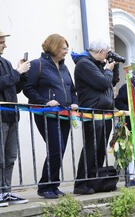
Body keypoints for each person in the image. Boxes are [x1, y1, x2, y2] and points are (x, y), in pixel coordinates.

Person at [24, 34, 79, 199]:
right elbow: (28, 89)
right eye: (63, 48)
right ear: (54, 47)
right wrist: (45, 101)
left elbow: (72, 89)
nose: (66, 52)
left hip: (65, 114)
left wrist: (74, 102)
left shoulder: (64, 67)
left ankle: (53, 185)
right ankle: (44, 186)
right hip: (46, 114)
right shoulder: (37, 65)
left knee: (60, 150)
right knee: (56, 148)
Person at [71, 40, 120, 195]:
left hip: (104, 112)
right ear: (100, 52)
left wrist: (114, 66)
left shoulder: (98, 64)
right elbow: (102, 83)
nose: (107, 56)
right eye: (106, 53)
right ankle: (81, 183)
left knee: (100, 148)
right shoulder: (84, 64)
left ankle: (94, 180)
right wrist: (107, 70)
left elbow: (111, 82)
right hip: (92, 112)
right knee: (91, 147)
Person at [0, 29, 30, 206]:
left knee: (10, 156)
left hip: (11, 115)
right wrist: (16, 72)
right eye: (2, 42)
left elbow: (13, 87)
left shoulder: (5, 62)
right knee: (0, 157)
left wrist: (22, 75)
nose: (5, 45)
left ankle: (6, 192)